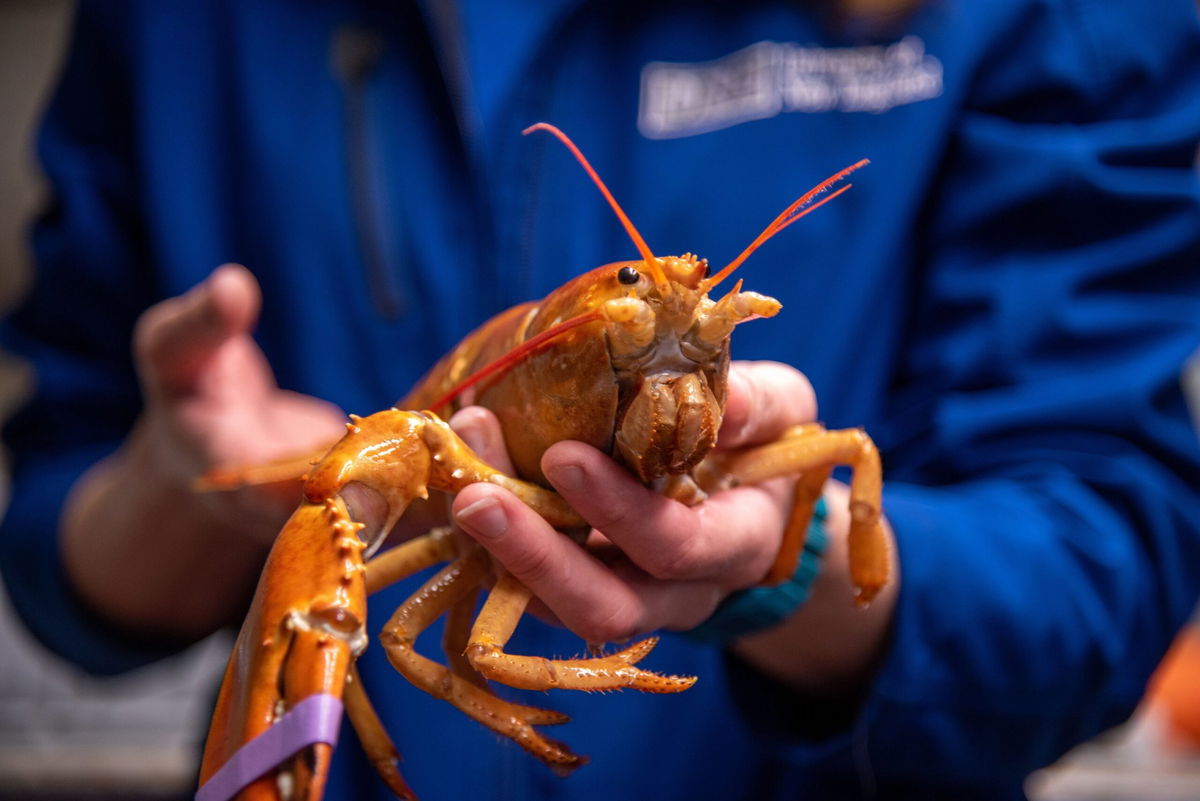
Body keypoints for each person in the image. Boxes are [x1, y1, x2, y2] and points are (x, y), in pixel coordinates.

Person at [3, 0, 1199, 799]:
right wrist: (178, 495)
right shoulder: (167, 22)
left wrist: (790, 559)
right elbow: (53, 537)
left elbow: (1108, 550)